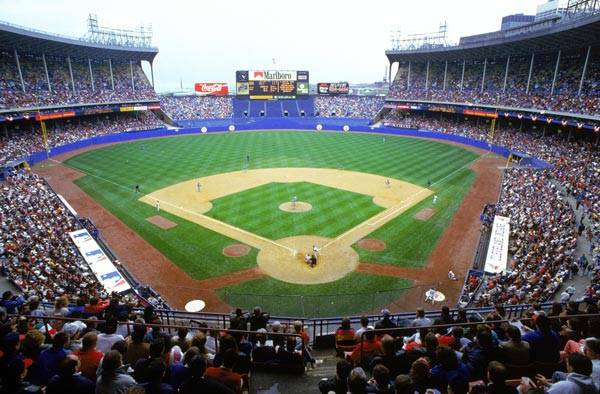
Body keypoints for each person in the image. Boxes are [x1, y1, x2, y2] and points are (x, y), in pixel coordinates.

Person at [532, 352, 596, 393]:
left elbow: (563, 388)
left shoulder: (564, 386)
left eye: (567, 363)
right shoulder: (592, 385)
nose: (566, 365)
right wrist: (547, 384)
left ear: (571, 367)